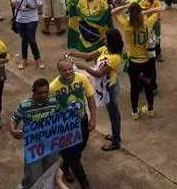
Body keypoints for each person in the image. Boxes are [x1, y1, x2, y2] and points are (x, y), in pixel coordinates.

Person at [67, 28, 124, 151]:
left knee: (113, 114)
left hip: (110, 87)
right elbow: (89, 56)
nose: (103, 40)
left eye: (106, 39)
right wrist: (74, 53)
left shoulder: (115, 57)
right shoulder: (105, 49)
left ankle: (116, 141)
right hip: (104, 86)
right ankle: (116, 136)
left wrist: (84, 68)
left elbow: (99, 74)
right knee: (112, 113)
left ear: (111, 41)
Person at [49, 58, 96, 189]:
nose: (68, 72)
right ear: (59, 71)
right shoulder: (53, 87)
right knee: (75, 156)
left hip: (82, 121)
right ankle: (85, 185)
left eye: (70, 69)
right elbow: (50, 110)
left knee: (80, 148)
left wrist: (93, 118)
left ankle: (64, 166)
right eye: (64, 70)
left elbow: (90, 97)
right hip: (66, 127)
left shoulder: (82, 78)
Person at [9, 78, 60, 188]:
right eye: (40, 93)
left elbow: (61, 116)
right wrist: (13, 130)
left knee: (50, 170)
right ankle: (25, 186)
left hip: (51, 143)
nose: (44, 95)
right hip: (34, 145)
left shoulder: (54, 101)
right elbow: (14, 119)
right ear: (33, 92)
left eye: (46, 92)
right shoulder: (25, 105)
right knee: (33, 175)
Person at [113, 1, 159, 119]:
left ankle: (134, 111)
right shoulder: (147, 23)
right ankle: (150, 109)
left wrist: (125, 6)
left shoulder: (127, 24)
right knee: (148, 86)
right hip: (147, 62)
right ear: (140, 12)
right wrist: (145, 11)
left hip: (134, 63)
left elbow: (113, 12)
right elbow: (158, 10)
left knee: (134, 88)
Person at [12, 0, 44, 70]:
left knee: (31, 40)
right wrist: (15, 3)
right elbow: (12, 2)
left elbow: (40, 4)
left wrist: (33, 6)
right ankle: (24, 59)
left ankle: (38, 59)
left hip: (31, 19)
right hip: (19, 19)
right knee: (24, 40)